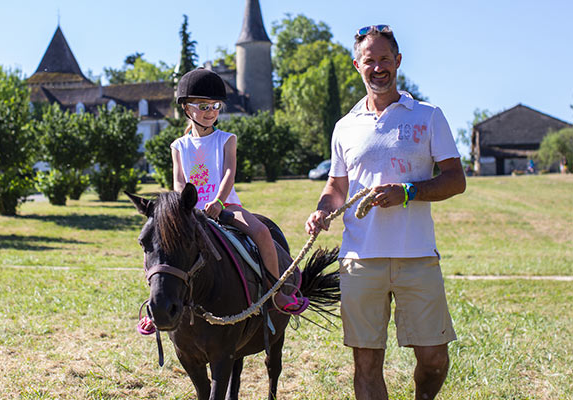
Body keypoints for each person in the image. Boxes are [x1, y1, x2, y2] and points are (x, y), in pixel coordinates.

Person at [304, 25, 466, 400]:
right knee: (365, 363)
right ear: (357, 65)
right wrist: (322, 210)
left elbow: (456, 179)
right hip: (360, 259)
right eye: (369, 60)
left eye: (384, 59)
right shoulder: (345, 126)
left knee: (433, 358)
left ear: (398, 62)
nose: (377, 67)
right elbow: (336, 187)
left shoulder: (427, 115)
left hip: (417, 257)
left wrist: (407, 192)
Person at [137, 68, 309, 335]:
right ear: (186, 108)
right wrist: (185, 209)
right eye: (203, 106)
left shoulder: (226, 139)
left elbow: (229, 172)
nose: (211, 111)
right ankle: (154, 304)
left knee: (262, 232)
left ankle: (277, 292)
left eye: (215, 106)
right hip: (191, 212)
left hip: (226, 206)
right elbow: (179, 182)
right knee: (161, 245)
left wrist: (218, 201)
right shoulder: (178, 146)